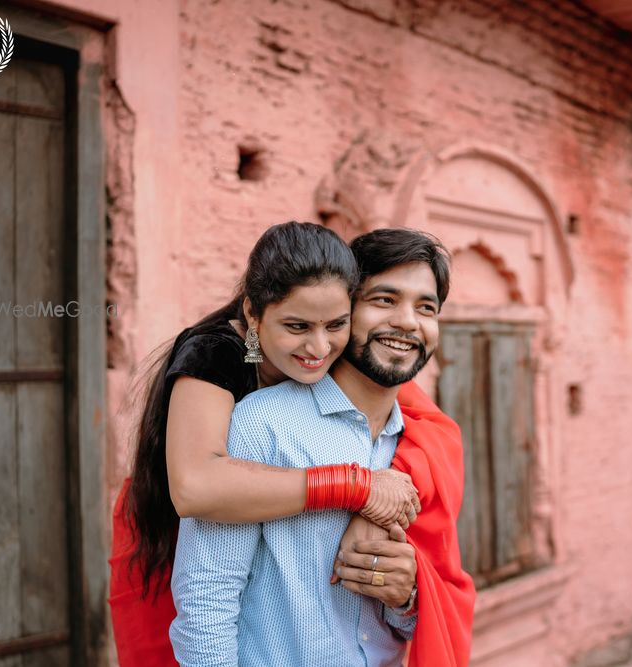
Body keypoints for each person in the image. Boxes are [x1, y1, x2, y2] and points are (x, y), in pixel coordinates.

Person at [109, 222, 419, 666]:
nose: (318, 346)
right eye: (297, 326)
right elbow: (195, 487)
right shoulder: (214, 354)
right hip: (167, 542)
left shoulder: (342, 360)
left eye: (335, 324)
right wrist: (357, 488)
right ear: (253, 314)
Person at [170, 228, 475, 666]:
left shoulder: (420, 448)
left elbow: (421, 613)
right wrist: (354, 488)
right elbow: (205, 603)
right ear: (346, 306)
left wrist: (406, 595)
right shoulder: (263, 423)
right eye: (385, 300)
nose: (408, 321)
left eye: (426, 307)